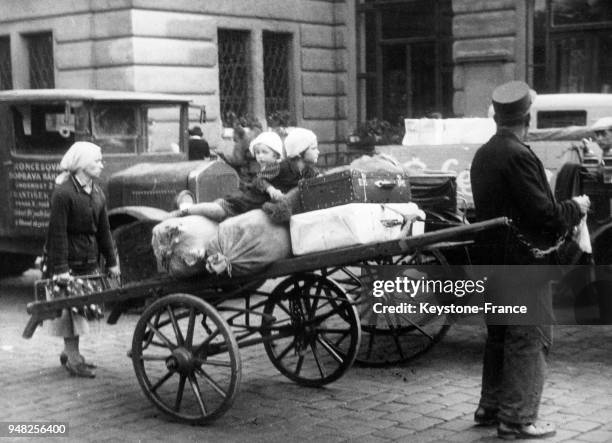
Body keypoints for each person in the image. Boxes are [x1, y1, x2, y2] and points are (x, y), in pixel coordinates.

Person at [470, 81, 590, 440]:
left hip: (492, 259)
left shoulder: (484, 153)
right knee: (530, 337)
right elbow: (545, 215)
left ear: (498, 118)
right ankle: (518, 419)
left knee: (500, 336)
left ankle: (490, 407)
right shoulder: (519, 154)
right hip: (522, 263)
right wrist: (576, 206)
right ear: (526, 118)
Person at [46, 141, 120, 378]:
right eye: (97, 161)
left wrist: (112, 261)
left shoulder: (97, 192)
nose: (101, 164)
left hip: (88, 259)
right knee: (70, 310)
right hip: (68, 261)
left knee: (81, 308)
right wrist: (60, 268)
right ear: (82, 164)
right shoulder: (63, 193)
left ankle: (71, 353)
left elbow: (104, 230)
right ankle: (74, 358)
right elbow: (57, 233)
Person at [171, 131, 285, 221]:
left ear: (275, 155)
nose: (260, 157)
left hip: (248, 203)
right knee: (218, 203)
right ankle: (190, 210)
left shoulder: (274, 167)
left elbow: (261, 181)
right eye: (258, 153)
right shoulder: (267, 168)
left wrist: (270, 189)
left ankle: (185, 210)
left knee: (218, 207)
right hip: (248, 200)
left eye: (265, 152)